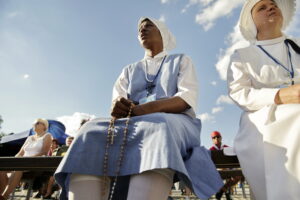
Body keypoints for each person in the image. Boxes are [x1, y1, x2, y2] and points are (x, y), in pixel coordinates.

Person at [55, 17, 223, 200]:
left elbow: (186, 99)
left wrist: (143, 110)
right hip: (131, 122)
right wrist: (118, 106)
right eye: (140, 28)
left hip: (175, 121)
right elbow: (116, 102)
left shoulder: (181, 60)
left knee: (159, 125)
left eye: (149, 25)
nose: (142, 29)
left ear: (163, 33)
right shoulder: (129, 69)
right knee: (90, 129)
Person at [227, 0, 300, 199]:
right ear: (252, 21)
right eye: (262, 7)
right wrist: (281, 95)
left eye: (273, 4)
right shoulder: (243, 55)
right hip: (263, 116)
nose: (271, 7)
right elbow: (240, 93)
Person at [0, 118, 52, 200]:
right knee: (2, 170)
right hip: (22, 163)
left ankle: (5, 196)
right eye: (34, 123)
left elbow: (44, 152)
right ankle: (2, 195)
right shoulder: (30, 137)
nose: (35, 124)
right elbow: (20, 153)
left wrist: (28, 159)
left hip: (36, 164)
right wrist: (13, 161)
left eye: (38, 123)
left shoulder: (47, 136)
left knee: (18, 168)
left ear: (44, 126)